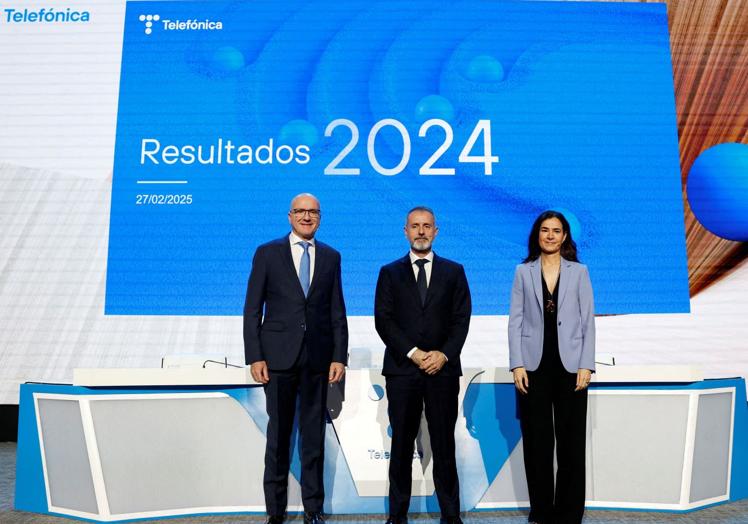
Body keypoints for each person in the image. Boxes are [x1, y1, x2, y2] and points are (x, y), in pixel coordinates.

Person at [244, 193, 348, 524]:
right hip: (277, 359)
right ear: (290, 216)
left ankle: (313, 510)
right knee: (278, 438)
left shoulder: (331, 257)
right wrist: (255, 355)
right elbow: (252, 308)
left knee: (313, 439)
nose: (307, 217)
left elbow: (337, 312)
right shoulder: (267, 253)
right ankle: (275, 513)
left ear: (320, 217)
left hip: (317, 360)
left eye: (313, 212)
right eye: (301, 211)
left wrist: (338, 356)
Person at [374, 206, 471, 524]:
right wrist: (414, 353)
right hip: (403, 371)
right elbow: (383, 321)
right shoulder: (389, 272)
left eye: (426, 226)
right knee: (401, 444)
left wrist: (443, 354)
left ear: (436, 231)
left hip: (442, 370)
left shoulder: (454, 271)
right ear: (405, 231)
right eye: (414, 226)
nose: (420, 231)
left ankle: (451, 514)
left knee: (444, 444)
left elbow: (461, 319)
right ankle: (397, 515)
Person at [508, 210, 595, 524]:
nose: (550, 235)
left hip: (571, 366)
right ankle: (542, 510)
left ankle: (570, 512)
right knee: (537, 441)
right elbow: (515, 322)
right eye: (545, 230)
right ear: (537, 234)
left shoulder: (580, 272)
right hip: (533, 367)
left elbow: (588, 323)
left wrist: (586, 365)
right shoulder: (522, 271)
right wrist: (517, 363)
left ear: (565, 236)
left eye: (556, 231)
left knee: (571, 441)